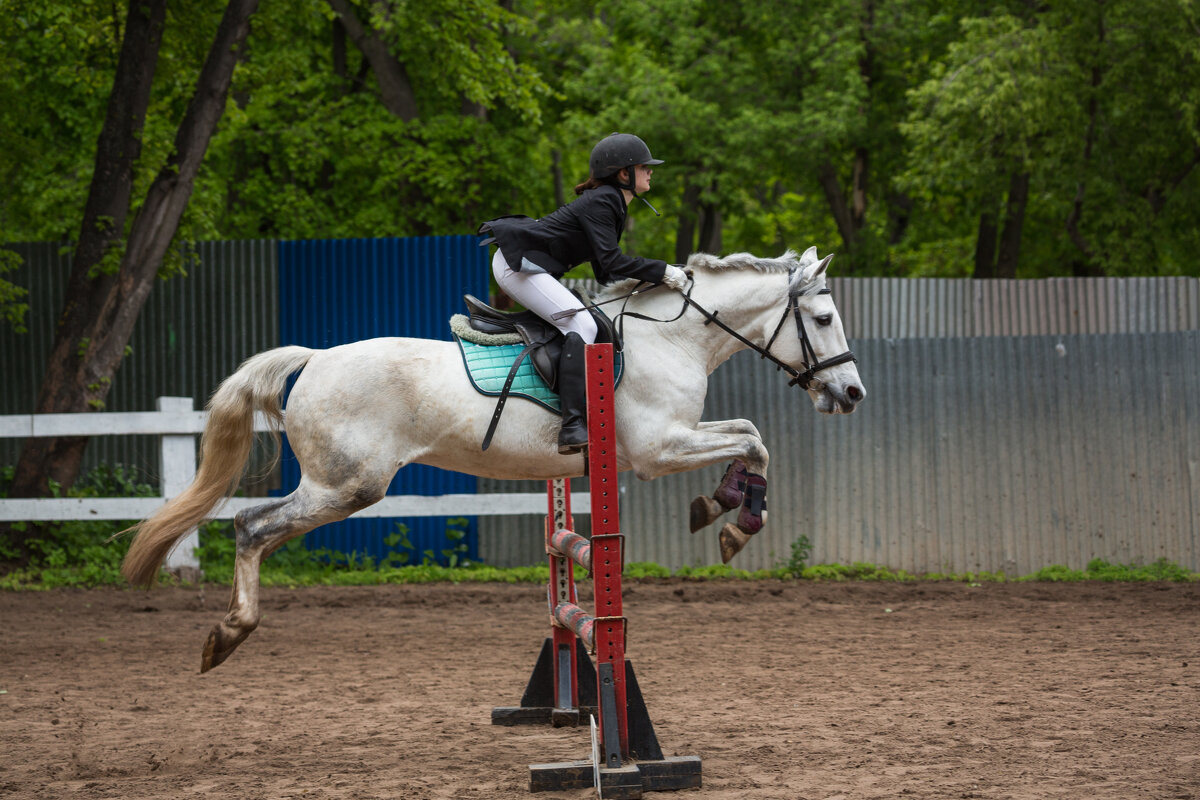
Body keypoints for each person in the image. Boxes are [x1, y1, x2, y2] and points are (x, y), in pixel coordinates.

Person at [478, 133, 688, 455]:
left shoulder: (612, 202)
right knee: (582, 327)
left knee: (585, 322)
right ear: (624, 174)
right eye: (644, 167)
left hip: (528, 266)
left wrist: (654, 280)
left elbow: (607, 272)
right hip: (517, 265)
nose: (650, 172)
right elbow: (612, 261)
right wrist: (662, 271)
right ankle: (572, 425)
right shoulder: (604, 200)